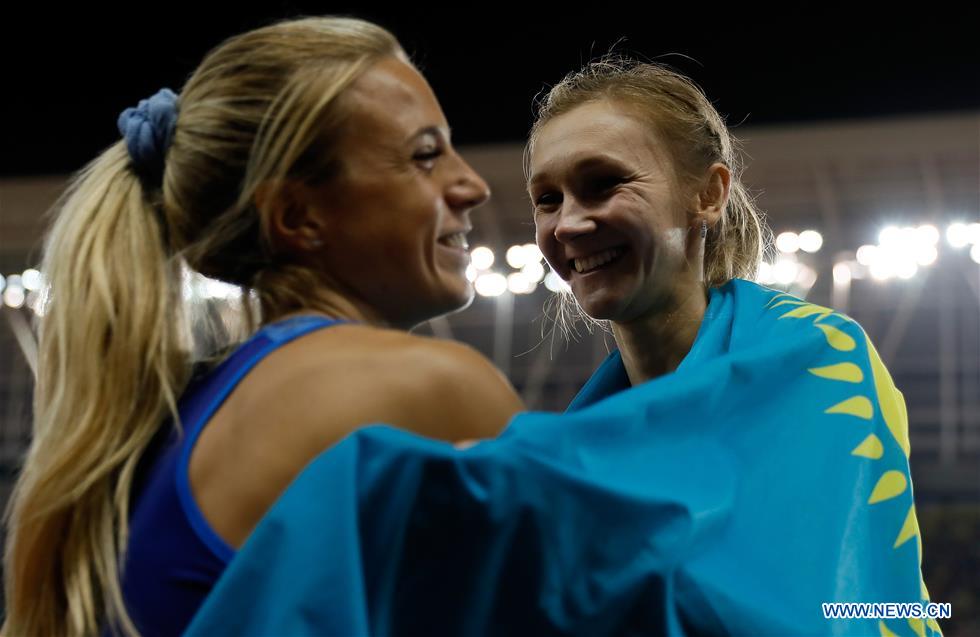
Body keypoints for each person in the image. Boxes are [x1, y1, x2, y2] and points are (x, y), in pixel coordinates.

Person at [185, 58, 940, 637]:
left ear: (708, 193)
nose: (569, 224)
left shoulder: (816, 357)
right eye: (548, 199)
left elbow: (838, 602)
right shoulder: (589, 430)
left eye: (603, 184)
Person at [1, 17, 524, 637]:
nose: (472, 185)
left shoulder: (177, 417)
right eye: (425, 155)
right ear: (297, 217)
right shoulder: (428, 390)